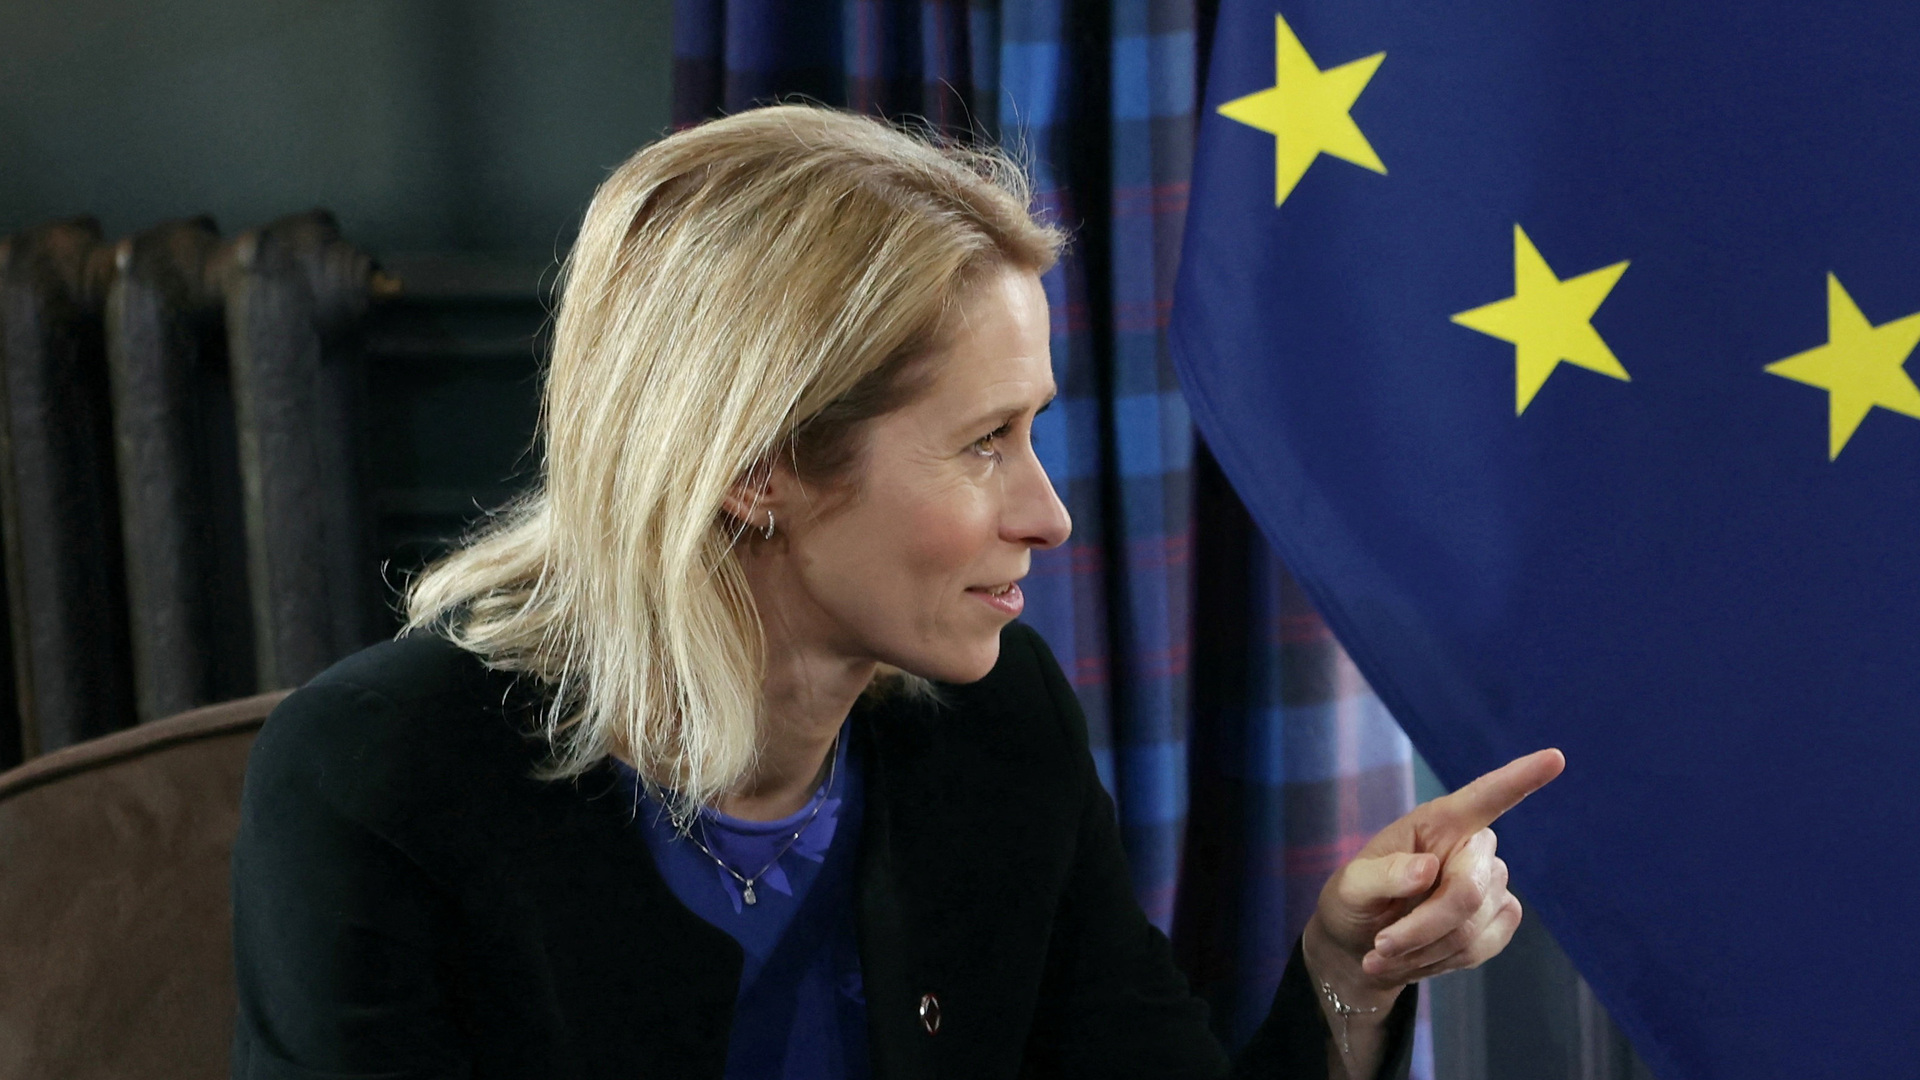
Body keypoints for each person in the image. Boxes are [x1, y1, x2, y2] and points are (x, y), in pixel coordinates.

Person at [228, 105, 1563, 1080]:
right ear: (753, 467)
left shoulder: (997, 722)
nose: (1047, 514)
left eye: (1033, 432)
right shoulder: (375, 780)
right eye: (985, 443)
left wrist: (1346, 975)